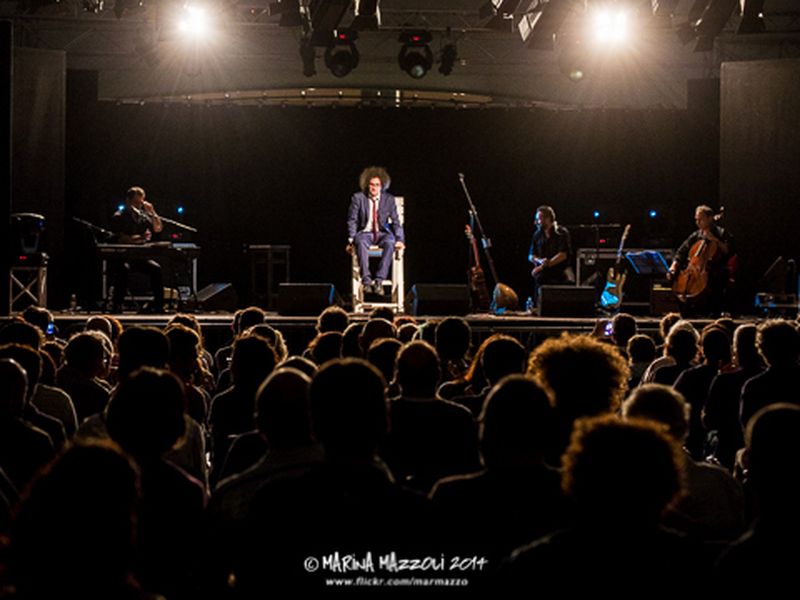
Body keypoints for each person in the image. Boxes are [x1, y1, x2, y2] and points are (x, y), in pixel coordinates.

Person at [346, 167, 405, 295]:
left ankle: (379, 281)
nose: (374, 188)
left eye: (377, 185)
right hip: (365, 233)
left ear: (381, 186)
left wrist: (400, 239)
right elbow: (352, 220)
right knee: (359, 241)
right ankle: (366, 282)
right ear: (367, 185)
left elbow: (396, 221)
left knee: (390, 241)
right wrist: (351, 239)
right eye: (372, 185)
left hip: (382, 233)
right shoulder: (358, 198)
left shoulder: (388, 199)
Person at [668, 204, 734, 317]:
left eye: (701, 219)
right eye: (696, 220)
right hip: (696, 270)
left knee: (717, 279)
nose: (698, 223)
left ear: (710, 218)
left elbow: (728, 251)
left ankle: (713, 314)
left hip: (714, 272)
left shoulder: (722, 233)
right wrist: (673, 266)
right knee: (676, 283)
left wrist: (714, 240)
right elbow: (681, 252)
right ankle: (686, 316)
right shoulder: (696, 235)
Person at [110, 186, 164, 313]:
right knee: (123, 269)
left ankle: (158, 305)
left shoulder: (142, 217)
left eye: (141, 203)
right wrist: (139, 238)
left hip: (138, 257)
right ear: (128, 201)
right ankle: (117, 304)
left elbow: (157, 228)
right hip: (122, 257)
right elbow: (121, 238)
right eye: (135, 202)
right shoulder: (119, 216)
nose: (138, 206)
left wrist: (153, 213)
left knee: (156, 269)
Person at [528, 205, 573, 307]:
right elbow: (531, 255)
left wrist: (544, 265)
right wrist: (539, 261)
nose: (537, 222)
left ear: (548, 219)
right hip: (542, 273)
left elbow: (563, 255)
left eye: (539, 219)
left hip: (560, 272)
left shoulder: (562, 233)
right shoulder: (537, 235)